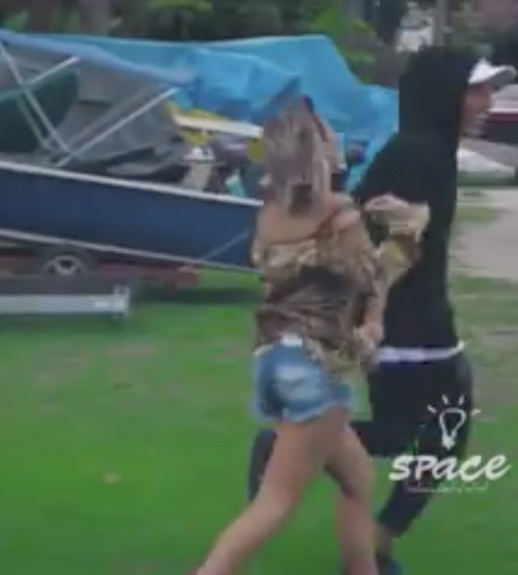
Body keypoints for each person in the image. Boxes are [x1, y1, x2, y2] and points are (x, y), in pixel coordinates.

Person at [245, 48, 516, 574]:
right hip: (408, 323)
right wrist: (376, 313)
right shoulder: (420, 154)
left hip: (416, 317)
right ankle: (370, 539)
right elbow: (375, 244)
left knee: (410, 432)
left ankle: (370, 541)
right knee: (436, 429)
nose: (488, 101)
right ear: (445, 95)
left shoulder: (425, 149)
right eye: (477, 90)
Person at [193, 100, 428, 575]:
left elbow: (305, 278)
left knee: (358, 479)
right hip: (314, 366)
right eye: (329, 134)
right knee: (276, 501)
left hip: (273, 360)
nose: (337, 139)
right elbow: (373, 279)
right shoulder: (337, 213)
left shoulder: (269, 213)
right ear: (318, 152)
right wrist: (409, 228)